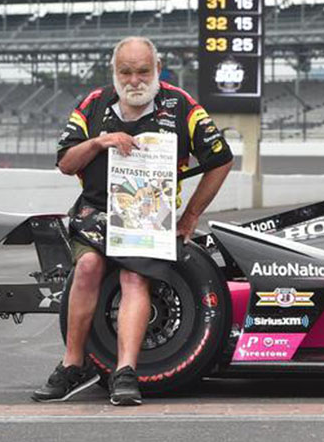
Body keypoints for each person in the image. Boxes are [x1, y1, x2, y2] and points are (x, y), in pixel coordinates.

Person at [32, 36, 234, 406]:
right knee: (88, 267)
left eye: (143, 71)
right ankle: (73, 364)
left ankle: (124, 372)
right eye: (126, 72)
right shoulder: (93, 104)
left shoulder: (182, 105)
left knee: (133, 277)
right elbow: (65, 164)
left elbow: (221, 159)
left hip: (149, 216)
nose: (135, 80)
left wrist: (190, 216)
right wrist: (100, 142)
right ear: (115, 71)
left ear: (158, 69)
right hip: (95, 212)